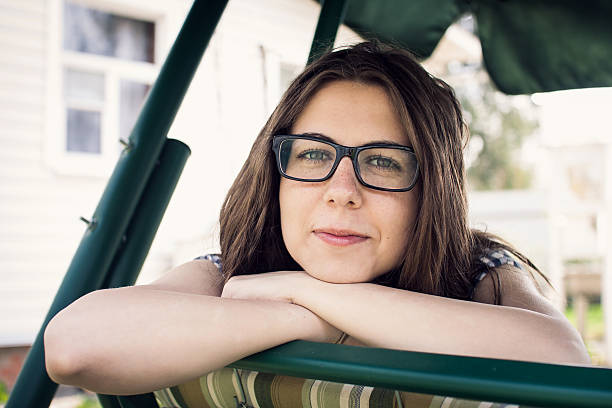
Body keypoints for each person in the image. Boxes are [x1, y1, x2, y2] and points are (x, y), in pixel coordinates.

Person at [44, 41, 590, 402]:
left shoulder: (480, 272)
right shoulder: (230, 273)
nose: (342, 192)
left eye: (382, 161)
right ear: (275, 173)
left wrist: (308, 295)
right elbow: (72, 346)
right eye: (312, 154)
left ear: (433, 193)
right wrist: (303, 316)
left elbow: (563, 363)